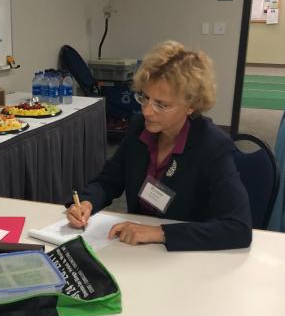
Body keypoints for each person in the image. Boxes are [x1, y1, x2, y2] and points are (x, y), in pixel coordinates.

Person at [67, 41, 252, 251]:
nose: (146, 111)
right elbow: (108, 181)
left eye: (161, 105)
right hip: (135, 247)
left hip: (186, 255)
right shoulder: (140, 128)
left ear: (191, 106)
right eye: (145, 98)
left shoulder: (212, 146)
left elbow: (238, 228)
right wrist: (86, 203)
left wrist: (160, 233)